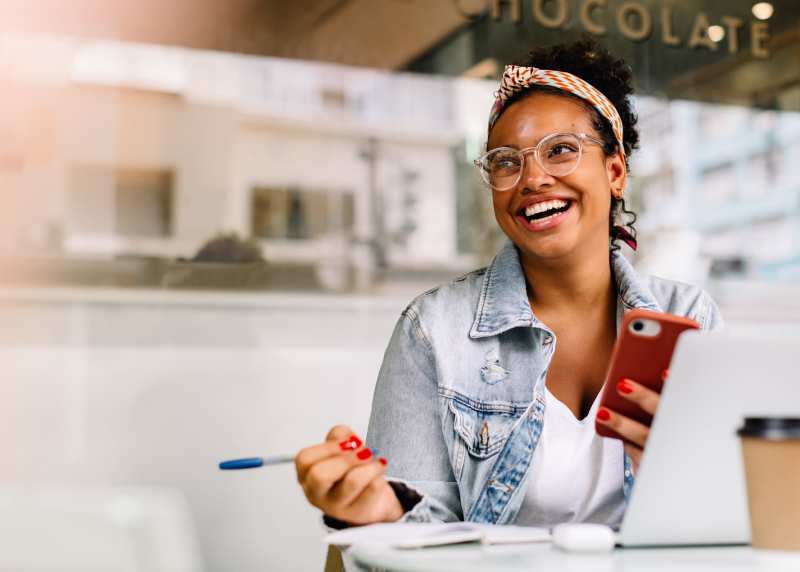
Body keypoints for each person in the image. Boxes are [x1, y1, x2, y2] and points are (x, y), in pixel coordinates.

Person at [294, 39, 723, 529]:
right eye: (505, 161)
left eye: (560, 151)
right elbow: (417, 528)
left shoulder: (690, 320)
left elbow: (726, 520)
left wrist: (675, 473)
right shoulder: (434, 330)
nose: (532, 178)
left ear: (615, 171)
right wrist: (379, 513)